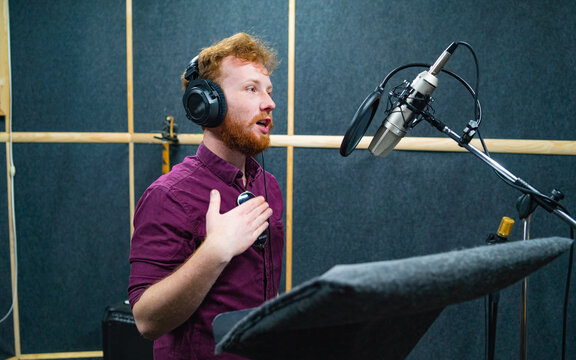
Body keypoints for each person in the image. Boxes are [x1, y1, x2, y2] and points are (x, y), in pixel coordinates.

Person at [128, 32, 285, 360]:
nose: (269, 102)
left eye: (269, 91)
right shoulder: (168, 196)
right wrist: (214, 252)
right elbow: (145, 320)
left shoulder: (267, 184)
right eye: (251, 88)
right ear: (207, 104)